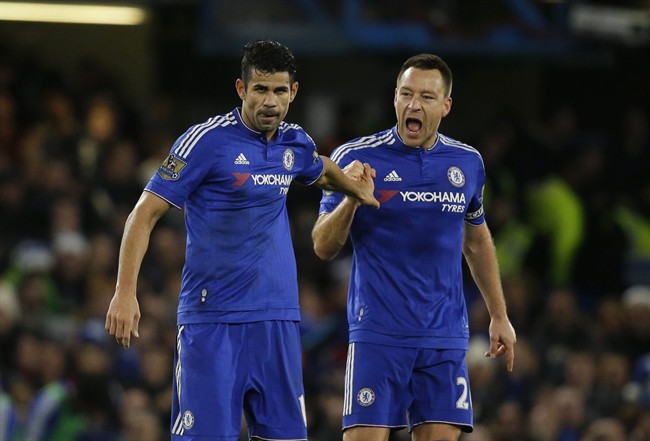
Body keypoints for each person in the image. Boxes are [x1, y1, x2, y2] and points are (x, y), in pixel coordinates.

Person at [104, 40, 379, 441]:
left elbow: (317, 168)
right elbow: (143, 214)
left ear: (293, 93)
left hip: (278, 321)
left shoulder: (293, 142)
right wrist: (124, 292)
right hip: (213, 322)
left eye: (279, 91)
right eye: (261, 90)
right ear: (241, 89)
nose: (270, 101)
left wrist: (354, 189)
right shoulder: (205, 142)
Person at [312, 54, 517, 441]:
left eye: (426, 96)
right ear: (394, 98)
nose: (414, 104)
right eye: (406, 94)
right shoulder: (355, 157)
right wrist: (352, 198)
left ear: (445, 105)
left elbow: (475, 240)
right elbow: (323, 246)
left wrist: (498, 315)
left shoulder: (467, 163)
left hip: (444, 337)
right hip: (378, 335)